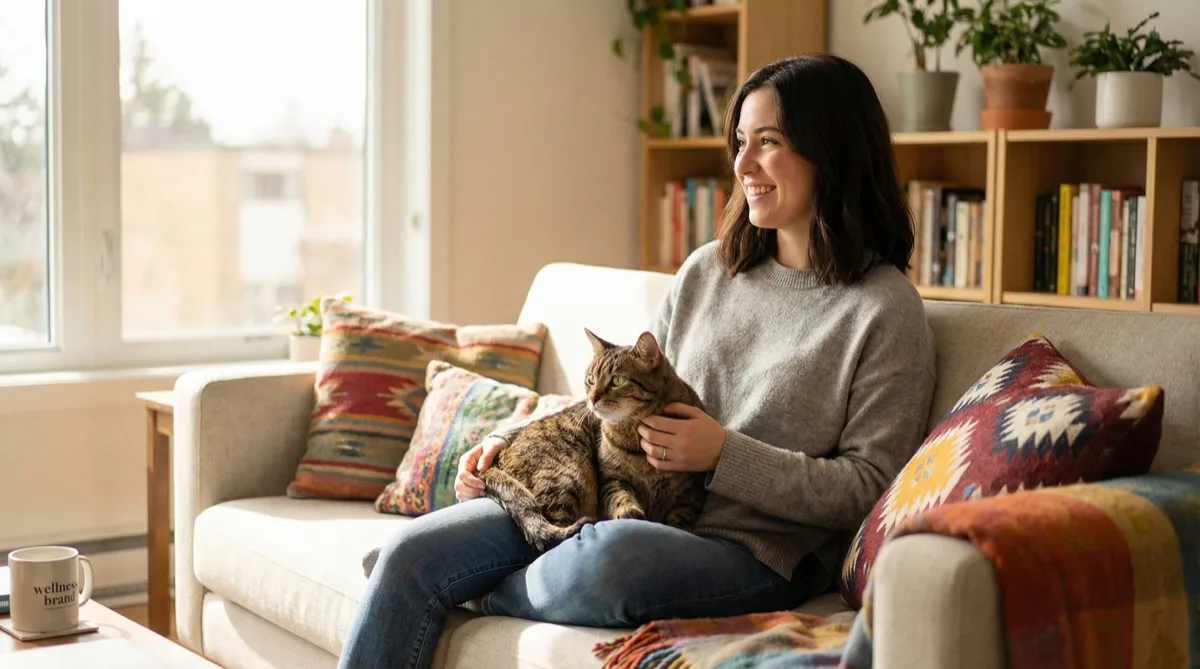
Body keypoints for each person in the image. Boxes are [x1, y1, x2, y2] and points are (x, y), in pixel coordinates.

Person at [336, 53, 936, 669]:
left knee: (608, 557)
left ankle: (473, 590)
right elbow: (622, 398)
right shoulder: (708, 271)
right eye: (739, 142)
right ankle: (440, 577)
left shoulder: (885, 309)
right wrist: (506, 443)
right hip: (614, 508)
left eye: (769, 142)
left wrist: (725, 456)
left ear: (832, 150)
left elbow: (869, 486)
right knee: (411, 552)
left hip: (751, 550)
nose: (743, 165)